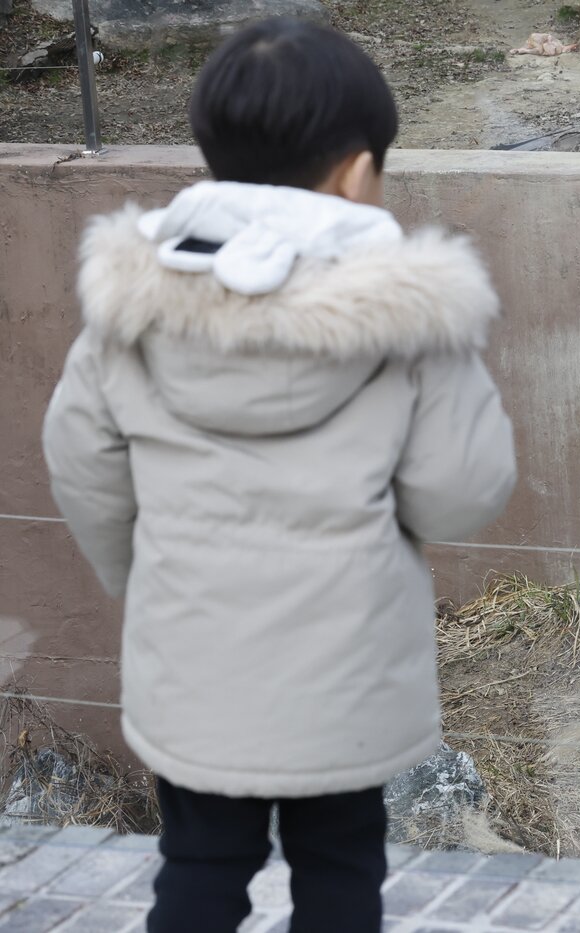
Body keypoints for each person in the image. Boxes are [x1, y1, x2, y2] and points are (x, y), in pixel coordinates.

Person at [41, 17, 516, 933]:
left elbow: (83, 470)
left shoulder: (129, 312)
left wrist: (141, 583)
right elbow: (462, 490)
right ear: (354, 172)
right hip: (349, 683)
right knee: (340, 876)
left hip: (193, 669)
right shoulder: (411, 321)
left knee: (198, 870)